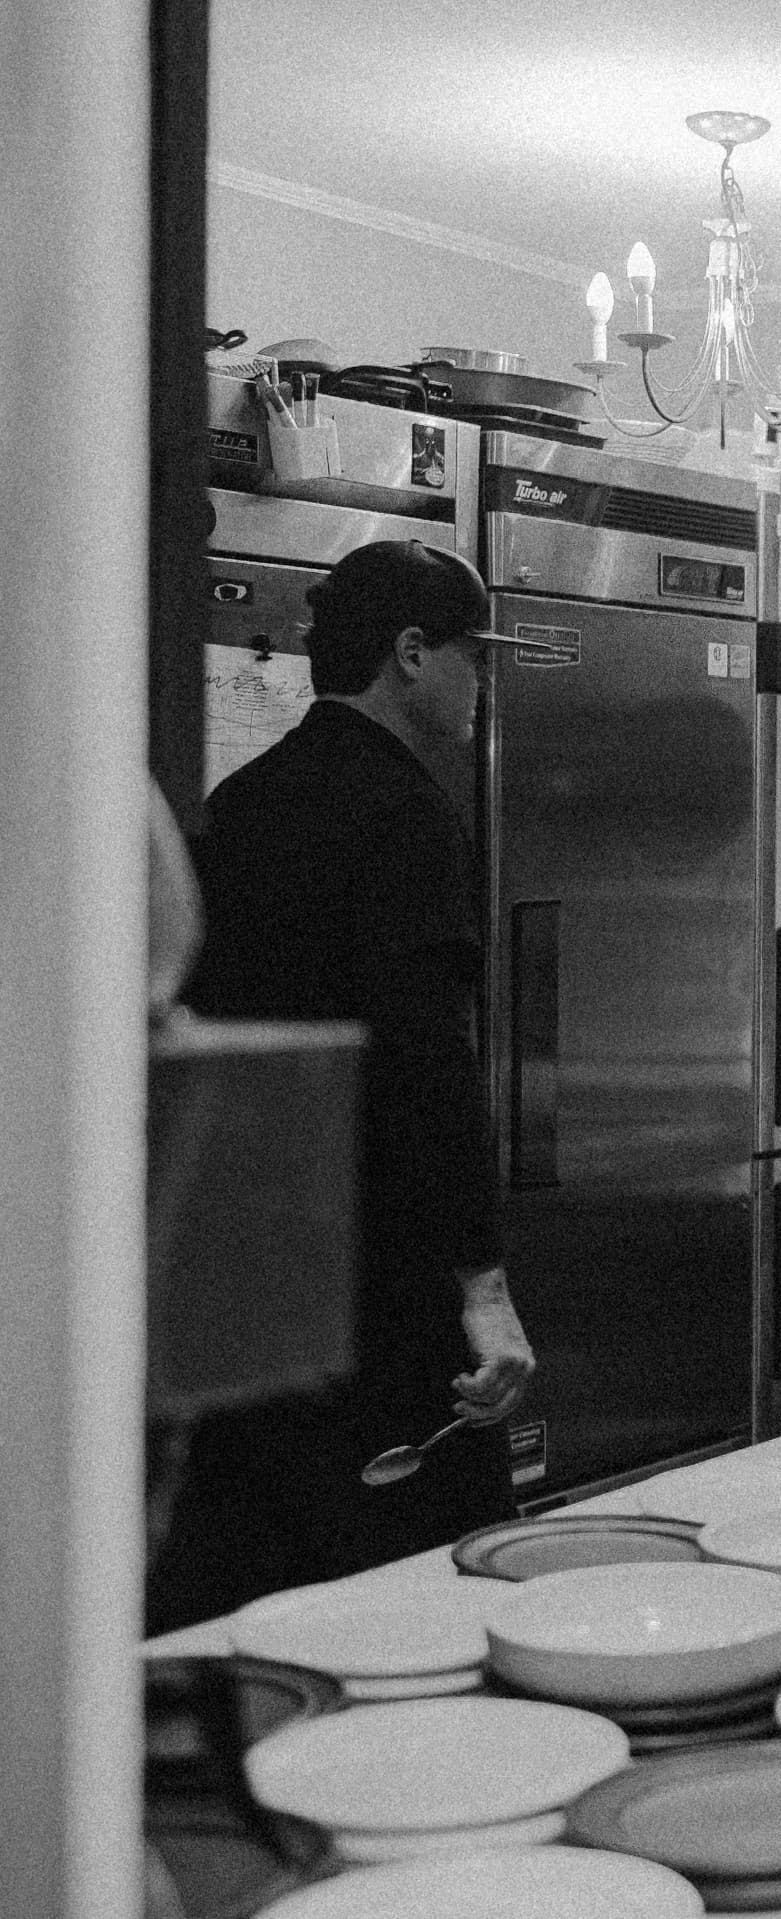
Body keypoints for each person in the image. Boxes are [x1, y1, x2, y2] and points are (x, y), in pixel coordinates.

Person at [149, 541, 538, 1627]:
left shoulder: (244, 799)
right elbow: (426, 1060)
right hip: (389, 1271)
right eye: (475, 656)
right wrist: (484, 1287)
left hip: (260, 1277)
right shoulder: (406, 817)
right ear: (412, 655)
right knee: (436, 1587)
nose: (483, 681)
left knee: (280, 1591)